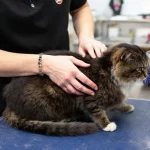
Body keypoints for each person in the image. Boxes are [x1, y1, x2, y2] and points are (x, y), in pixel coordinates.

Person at [0, 0, 107, 115]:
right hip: (8, 96)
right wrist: (45, 64)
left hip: (61, 90)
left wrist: (86, 37)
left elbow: (80, 8)